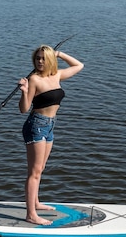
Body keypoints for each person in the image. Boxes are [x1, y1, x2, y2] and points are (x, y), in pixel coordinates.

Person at [19, 45, 84, 225]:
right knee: (34, 172)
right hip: (36, 125)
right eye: (37, 58)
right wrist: (24, 92)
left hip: (50, 125)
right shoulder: (34, 80)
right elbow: (24, 109)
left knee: (40, 170)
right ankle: (31, 214)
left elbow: (79, 66)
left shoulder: (57, 75)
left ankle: (37, 203)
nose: (39, 61)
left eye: (43, 58)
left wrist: (60, 54)